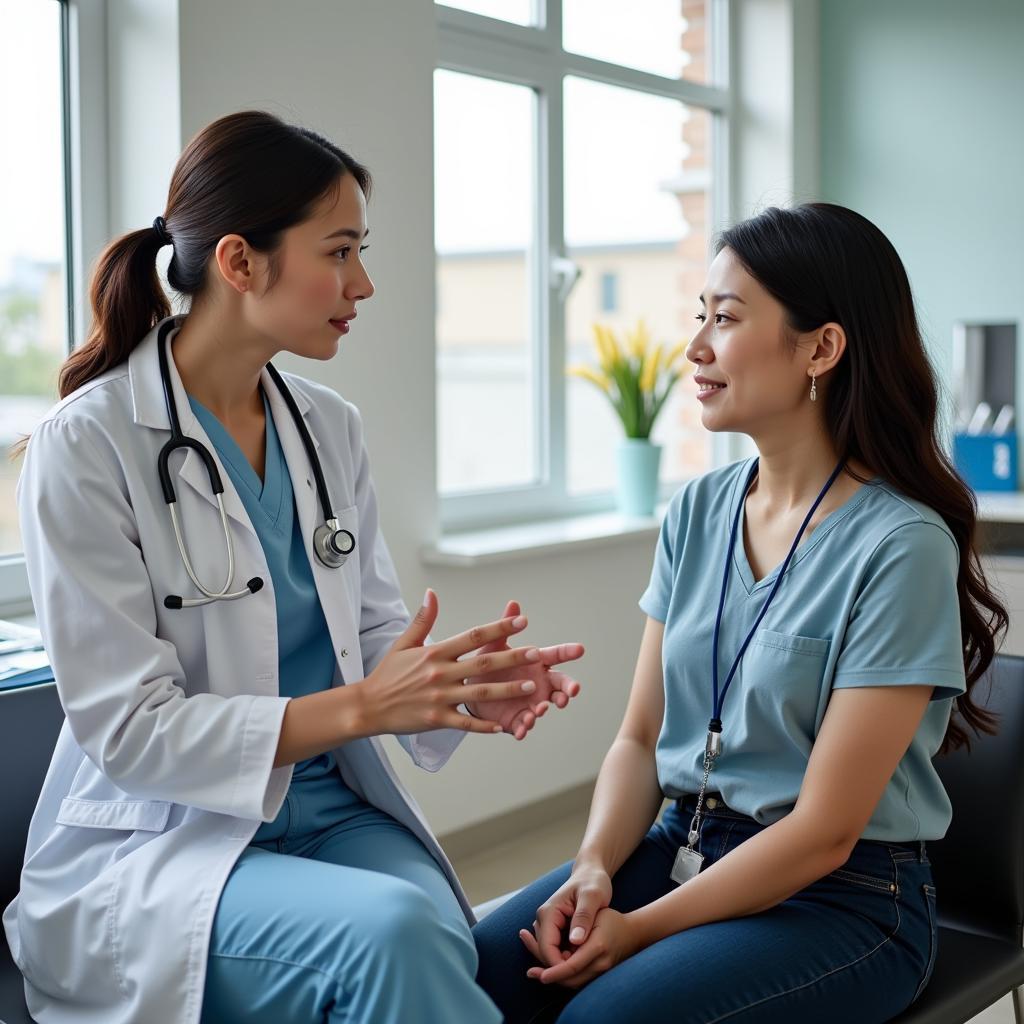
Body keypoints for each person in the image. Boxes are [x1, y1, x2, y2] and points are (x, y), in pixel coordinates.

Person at [2, 110, 584, 1024]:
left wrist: (459, 687)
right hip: (169, 840)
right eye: (340, 251)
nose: (365, 282)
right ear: (240, 263)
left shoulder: (326, 426)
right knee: (396, 933)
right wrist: (364, 707)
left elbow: (370, 630)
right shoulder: (86, 446)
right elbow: (130, 732)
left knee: (432, 927)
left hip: (328, 810)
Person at [473, 202, 1008, 1024]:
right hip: (677, 847)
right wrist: (591, 869)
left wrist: (639, 930)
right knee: (465, 971)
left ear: (821, 348)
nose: (696, 348)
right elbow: (641, 739)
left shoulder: (900, 545)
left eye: (725, 319)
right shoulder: (698, 510)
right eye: (702, 317)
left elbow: (827, 831)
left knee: (603, 1017)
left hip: (843, 897)